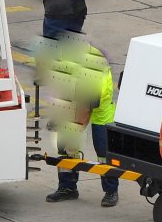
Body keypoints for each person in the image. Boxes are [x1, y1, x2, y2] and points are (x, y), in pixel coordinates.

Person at [44, 42, 119, 207]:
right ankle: (67, 187)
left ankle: (111, 191)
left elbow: (86, 109)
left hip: (101, 108)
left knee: (104, 149)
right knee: (64, 143)